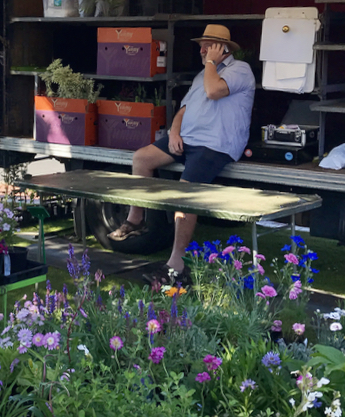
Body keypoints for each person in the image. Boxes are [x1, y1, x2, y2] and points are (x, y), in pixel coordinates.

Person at [108, 24, 255, 285]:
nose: (202, 50)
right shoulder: (203, 75)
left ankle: (176, 264)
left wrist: (211, 62)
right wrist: (174, 132)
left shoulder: (239, 70)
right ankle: (136, 218)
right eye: (202, 46)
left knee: (183, 197)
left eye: (207, 46)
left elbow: (214, 91)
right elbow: (183, 109)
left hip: (216, 145)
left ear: (221, 49)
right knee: (141, 158)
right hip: (187, 140)